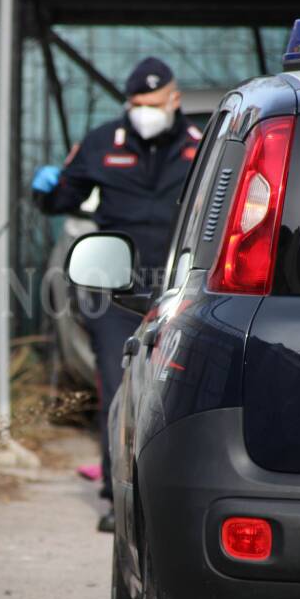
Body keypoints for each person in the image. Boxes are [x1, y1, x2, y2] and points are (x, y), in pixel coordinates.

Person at [32, 57, 201, 533]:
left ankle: (174, 495)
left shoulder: (200, 146)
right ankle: (115, 494)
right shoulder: (103, 143)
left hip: (179, 287)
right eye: (136, 104)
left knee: (180, 393)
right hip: (114, 288)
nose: (144, 111)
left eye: (153, 103)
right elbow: (63, 196)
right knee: (119, 387)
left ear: (175, 99)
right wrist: (44, 191)